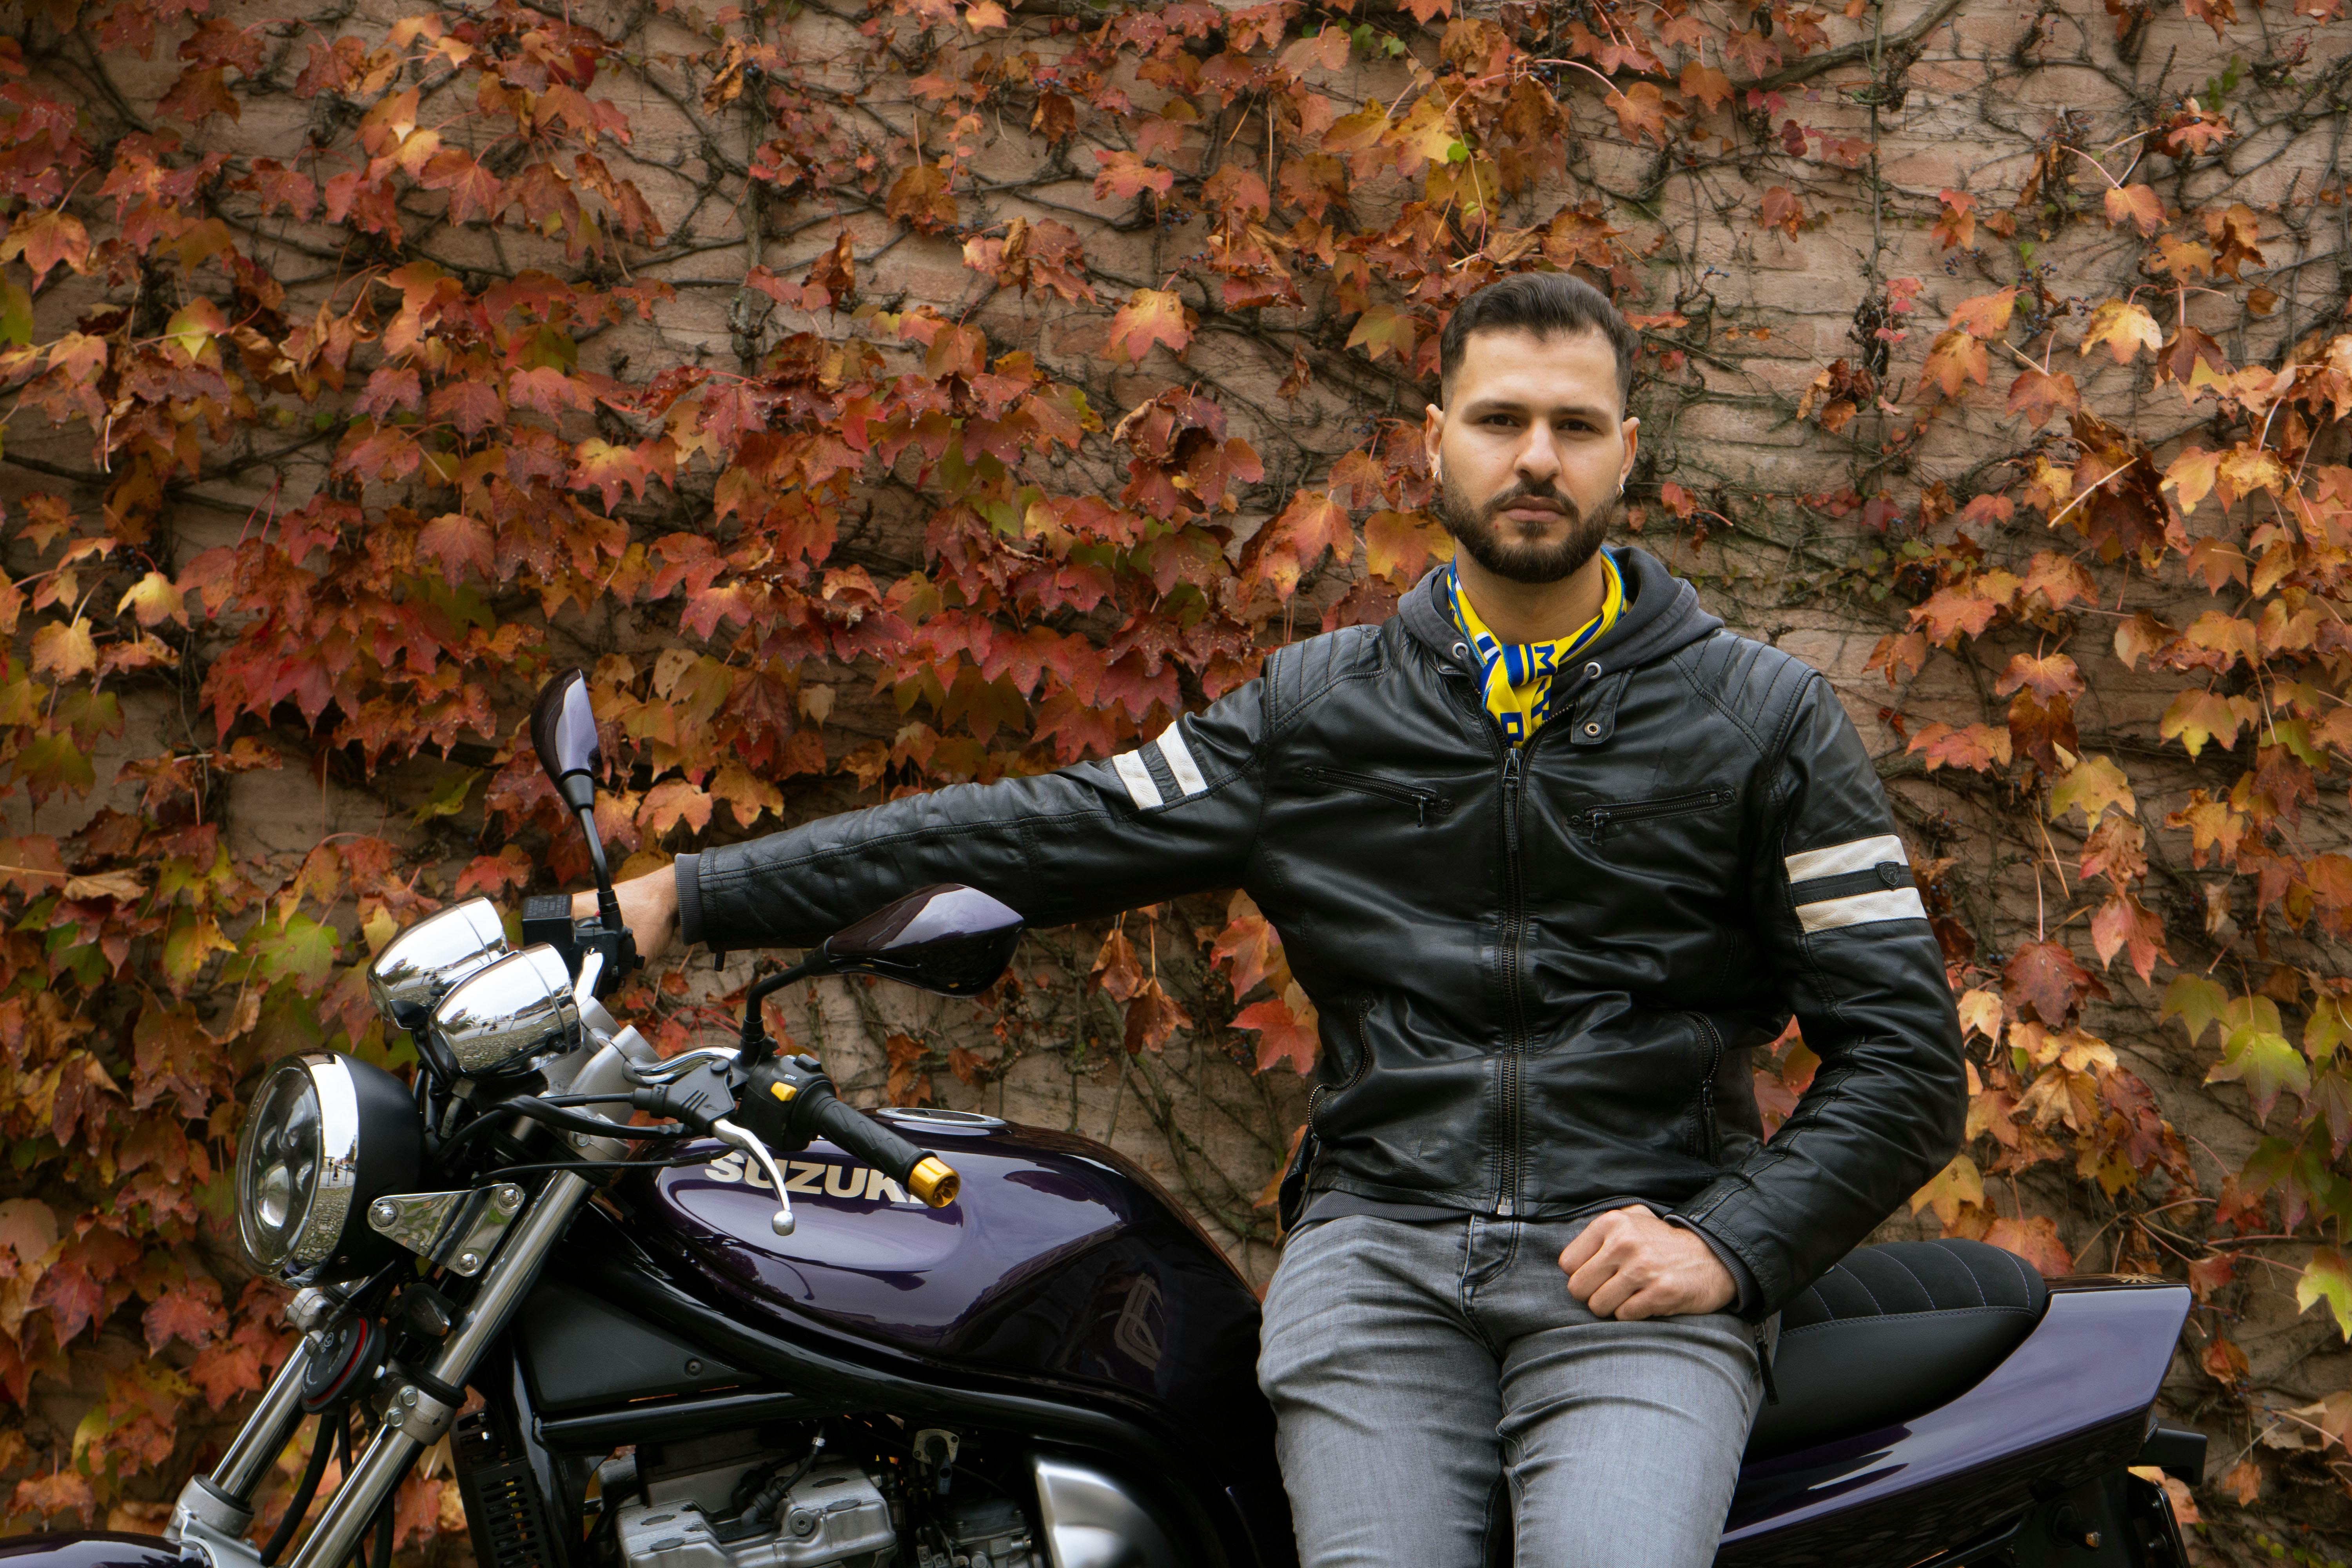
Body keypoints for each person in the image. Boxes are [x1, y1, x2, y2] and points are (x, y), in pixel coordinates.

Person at [575, 272, 1965, 1568]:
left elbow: (1905, 1060)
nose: (1536, 456)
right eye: (1500, 420)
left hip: (1631, 1274)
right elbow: (1023, 831)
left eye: (1573, 425)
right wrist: (674, 897)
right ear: (1435, 441)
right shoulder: (1315, 713)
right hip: (1381, 1265)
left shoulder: (1765, 718)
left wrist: (1725, 1243)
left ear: (1627, 448)